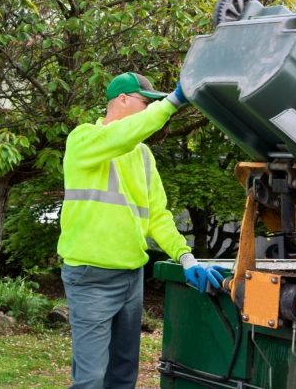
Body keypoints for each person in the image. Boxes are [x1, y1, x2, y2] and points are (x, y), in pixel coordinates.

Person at [57, 72, 226, 389]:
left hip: (130, 277)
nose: (150, 110)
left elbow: (157, 216)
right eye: (145, 102)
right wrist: (172, 103)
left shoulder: (144, 156)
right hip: (90, 276)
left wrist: (185, 257)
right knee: (91, 379)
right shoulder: (82, 140)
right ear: (121, 100)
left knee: (123, 376)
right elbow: (122, 135)